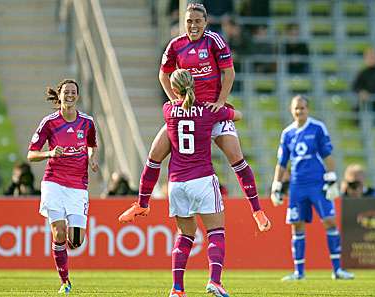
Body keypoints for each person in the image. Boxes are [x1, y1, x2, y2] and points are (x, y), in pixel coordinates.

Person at [123, 69, 270, 297]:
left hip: (176, 184)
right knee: (216, 232)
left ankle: (177, 289)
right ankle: (214, 281)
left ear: (173, 90)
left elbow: (174, 118)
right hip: (202, 178)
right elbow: (237, 116)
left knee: (184, 236)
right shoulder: (207, 112)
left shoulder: (168, 110)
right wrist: (225, 108)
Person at [120, 3, 264, 226]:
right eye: (189, 21)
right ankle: (142, 204)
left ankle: (256, 210)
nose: (193, 25)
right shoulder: (176, 45)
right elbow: (163, 75)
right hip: (188, 112)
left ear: (205, 23)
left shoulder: (214, 41)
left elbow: (229, 72)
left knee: (236, 158)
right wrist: (175, 101)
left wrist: (220, 102)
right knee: (155, 153)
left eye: (197, 21)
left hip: (211, 112)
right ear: (183, 22)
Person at [270, 95, 354, 281]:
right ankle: (299, 273)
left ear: (308, 109)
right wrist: (276, 185)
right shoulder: (287, 133)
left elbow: (327, 155)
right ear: (291, 110)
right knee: (296, 225)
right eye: (296, 108)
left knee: (330, 221)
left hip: (317, 183)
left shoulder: (317, 128)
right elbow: (282, 162)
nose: (299, 111)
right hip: (297, 185)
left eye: (302, 108)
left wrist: (331, 179)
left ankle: (337, 270)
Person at [27, 79, 99, 294]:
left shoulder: (87, 122)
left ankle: (63, 253)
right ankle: (65, 281)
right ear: (59, 96)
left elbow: (92, 144)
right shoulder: (49, 122)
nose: (69, 95)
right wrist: (49, 153)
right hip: (54, 182)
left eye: (73, 92)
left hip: (78, 185)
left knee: (77, 241)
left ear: (77, 96)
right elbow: (31, 155)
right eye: (66, 92)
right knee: (59, 233)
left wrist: (92, 158)